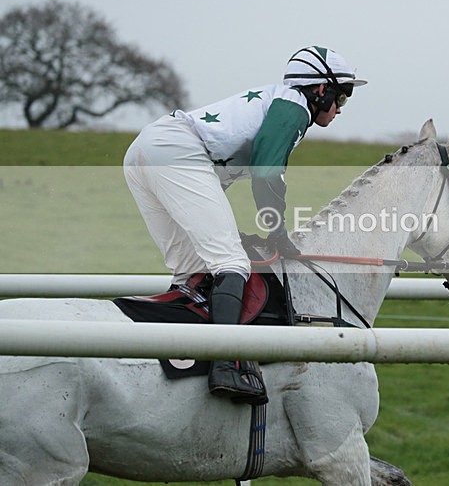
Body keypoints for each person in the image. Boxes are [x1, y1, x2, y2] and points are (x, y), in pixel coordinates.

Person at [123, 46, 367, 403]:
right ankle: (226, 362)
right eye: (342, 96)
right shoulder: (294, 107)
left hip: (146, 151)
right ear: (320, 90)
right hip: (175, 151)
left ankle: (178, 370)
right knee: (231, 263)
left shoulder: (279, 101)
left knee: (191, 270)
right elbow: (267, 173)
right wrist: (278, 232)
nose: (341, 107)